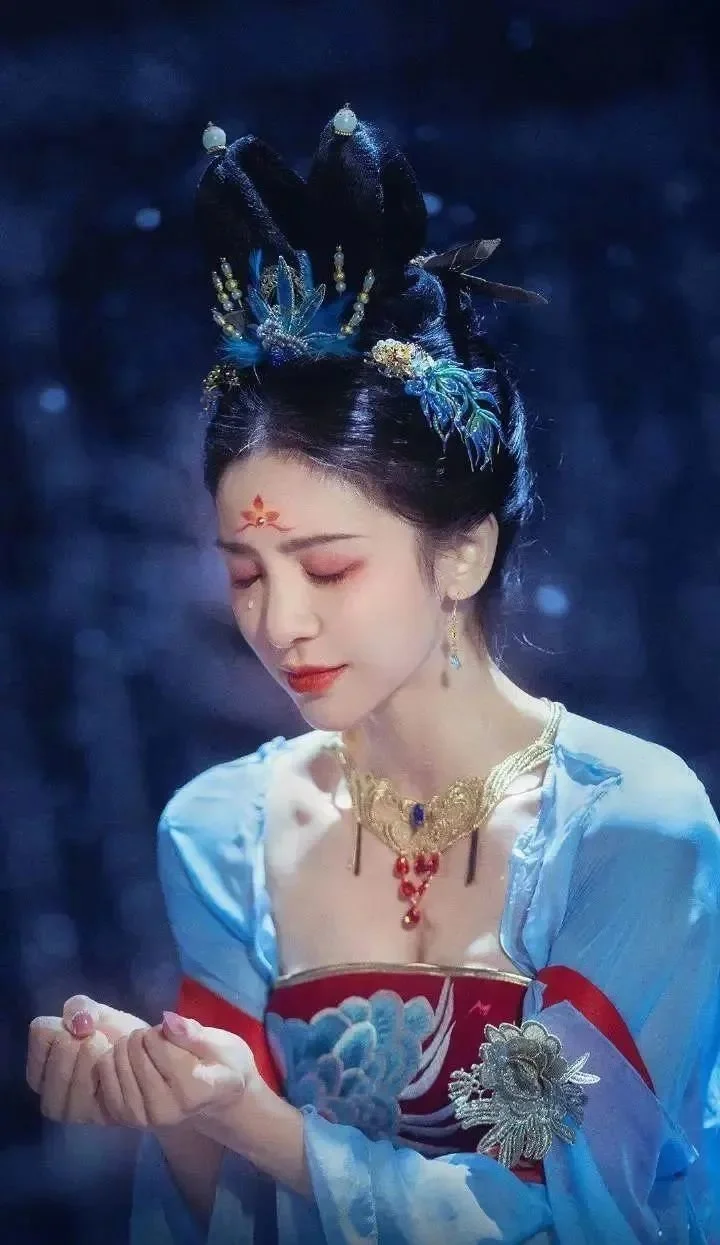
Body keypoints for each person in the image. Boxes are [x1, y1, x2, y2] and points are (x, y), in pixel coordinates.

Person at [26, 106, 720, 1244]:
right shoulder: (222, 830)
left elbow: (581, 1211)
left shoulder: (631, 826)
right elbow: (219, 1214)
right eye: (244, 573)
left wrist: (252, 1118)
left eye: (328, 567)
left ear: (464, 552)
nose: (278, 621)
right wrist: (167, 1100)